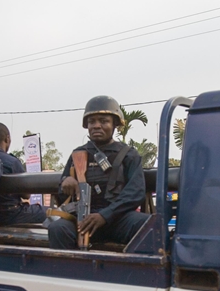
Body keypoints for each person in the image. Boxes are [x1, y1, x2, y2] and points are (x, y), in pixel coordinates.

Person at [47, 95, 149, 250]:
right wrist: (66, 183)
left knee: (146, 225)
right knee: (57, 229)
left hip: (116, 218)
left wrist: (105, 215)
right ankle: (67, 272)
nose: (96, 126)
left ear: (114, 124)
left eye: (103, 121)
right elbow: (62, 196)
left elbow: (135, 192)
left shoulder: (128, 154)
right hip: (83, 220)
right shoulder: (78, 155)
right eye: (91, 121)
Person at [0, 122, 48, 226]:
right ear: (7, 139)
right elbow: (26, 194)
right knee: (54, 212)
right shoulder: (12, 162)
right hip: (12, 214)